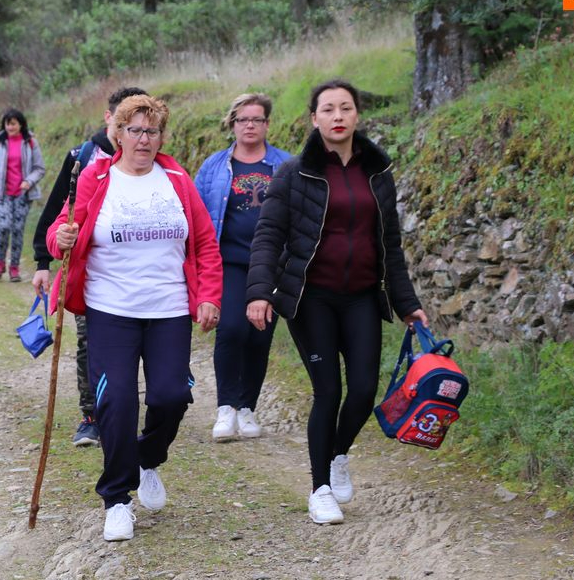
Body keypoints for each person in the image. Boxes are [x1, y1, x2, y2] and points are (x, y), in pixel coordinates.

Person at [246, 79, 428, 525]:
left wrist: (407, 303)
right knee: (328, 390)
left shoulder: (377, 172)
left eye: (345, 108)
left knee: (364, 389)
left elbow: (390, 244)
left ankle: (338, 455)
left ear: (357, 115)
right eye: (328, 109)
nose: (338, 116)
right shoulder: (295, 172)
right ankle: (319, 488)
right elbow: (269, 235)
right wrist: (257, 292)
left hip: (362, 296)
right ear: (314, 118)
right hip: (312, 299)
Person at [47, 94, 222, 542]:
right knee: (116, 401)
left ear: (161, 136)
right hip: (111, 310)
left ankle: (147, 458)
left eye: (152, 131)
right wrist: (59, 237)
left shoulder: (177, 179)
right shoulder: (96, 177)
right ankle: (117, 499)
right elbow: (63, 228)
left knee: (171, 397)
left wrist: (208, 296)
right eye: (135, 130)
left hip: (168, 310)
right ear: (118, 133)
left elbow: (203, 242)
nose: (144, 139)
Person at [32, 87, 147, 447]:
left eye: (144, 124)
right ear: (109, 117)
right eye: (125, 120)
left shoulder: (153, 158)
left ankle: (129, 406)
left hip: (141, 272)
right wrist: (42, 260)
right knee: (89, 340)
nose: (137, 131)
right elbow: (56, 208)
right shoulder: (83, 156)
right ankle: (91, 415)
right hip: (89, 269)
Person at [194, 93, 290, 442]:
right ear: (232, 124)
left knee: (259, 335)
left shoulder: (285, 165)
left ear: (267, 124)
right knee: (232, 328)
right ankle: (226, 407)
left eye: (257, 119)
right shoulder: (214, 167)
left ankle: (247, 407)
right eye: (242, 120)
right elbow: (197, 215)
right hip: (229, 263)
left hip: (273, 265)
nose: (250, 125)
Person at [0, 108, 45, 282]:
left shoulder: (30, 141)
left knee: (17, 230)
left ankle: (15, 267)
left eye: (13, 124)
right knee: (4, 226)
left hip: (23, 194)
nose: (10, 127)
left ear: (20, 124)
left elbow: (39, 168)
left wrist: (29, 181)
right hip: (2, 193)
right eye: (7, 124)